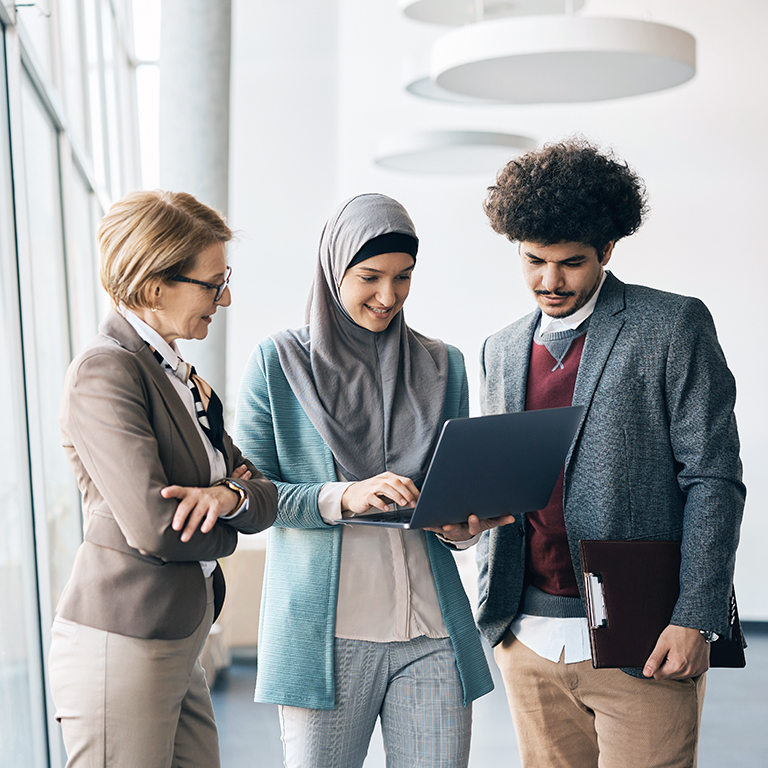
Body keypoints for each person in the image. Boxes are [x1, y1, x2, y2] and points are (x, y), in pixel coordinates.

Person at [476, 138, 745, 768]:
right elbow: (504, 488)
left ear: (609, 250)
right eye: (533, 260)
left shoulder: (671, 325)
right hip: (527, 640)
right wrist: (467, 527)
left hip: (645, 637)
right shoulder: (501, 348)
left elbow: (714, 478)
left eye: (570, 263)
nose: (549, 281)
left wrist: (696, 616)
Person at [234, 193, 511, 768]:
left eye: (404, 277)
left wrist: (462, 528)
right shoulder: (278, 363)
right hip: (326, 639)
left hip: (433, 632)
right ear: (334, 269)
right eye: (370, 277)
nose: (389, 296)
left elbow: (448, 494)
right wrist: (343, 496)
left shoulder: (444, 365)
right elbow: (251, 500)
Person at [49, 190, 278, 768]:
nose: (225, 298)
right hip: (123, 642)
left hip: (181, 637)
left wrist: (224, 496)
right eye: (212, 283)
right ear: (154, 288)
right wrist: (232, 518)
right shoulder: (104, 372)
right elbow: (157, 526)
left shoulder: (177, 373)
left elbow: (263, 493)